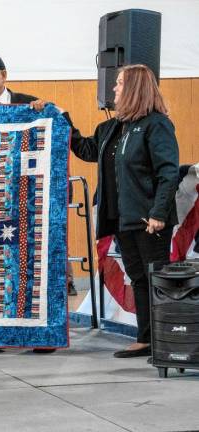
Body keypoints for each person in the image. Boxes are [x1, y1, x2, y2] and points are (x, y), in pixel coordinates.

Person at [70, 64, 179, 358]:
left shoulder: (157, 124)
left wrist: (158, 213)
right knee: (139, 278)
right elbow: (87, 150)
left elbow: (168, 172)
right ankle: (147, 338)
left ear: (133, 89)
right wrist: (62, 120)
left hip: (149, 220)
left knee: (156, 278)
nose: (114, 89)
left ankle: (167, 339)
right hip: (122, 219)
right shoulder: (111, 128)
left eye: (119, 83)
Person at [0, 54, 60, 353]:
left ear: (4, 75)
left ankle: (37, 335)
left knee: (28, 264)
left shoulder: (30, 105)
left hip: (24, 204)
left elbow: (61, 124)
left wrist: (48, 110)